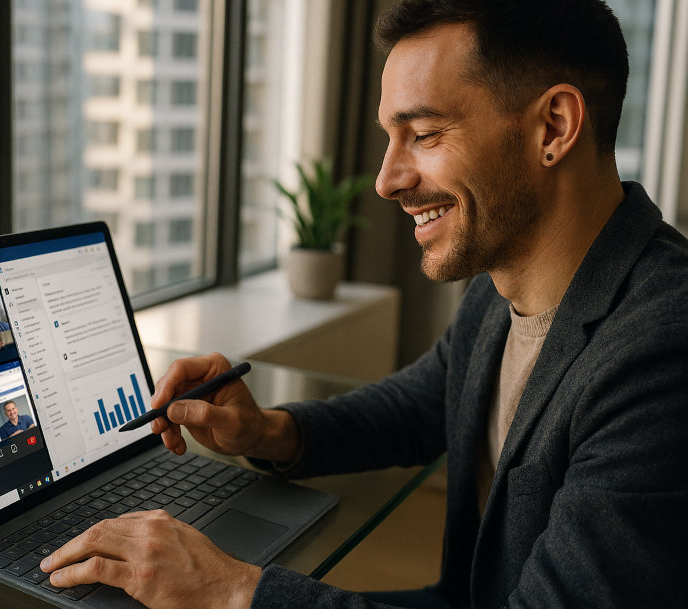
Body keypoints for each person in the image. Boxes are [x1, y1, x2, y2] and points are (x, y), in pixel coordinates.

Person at [40, 2, 688, 608]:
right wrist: (269, 430)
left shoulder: (661, 351)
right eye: (389, 137)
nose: (386, 179)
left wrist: (234, 592)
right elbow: (422, 402)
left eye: (424, 133)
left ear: (552, 127)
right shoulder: (502, 285)